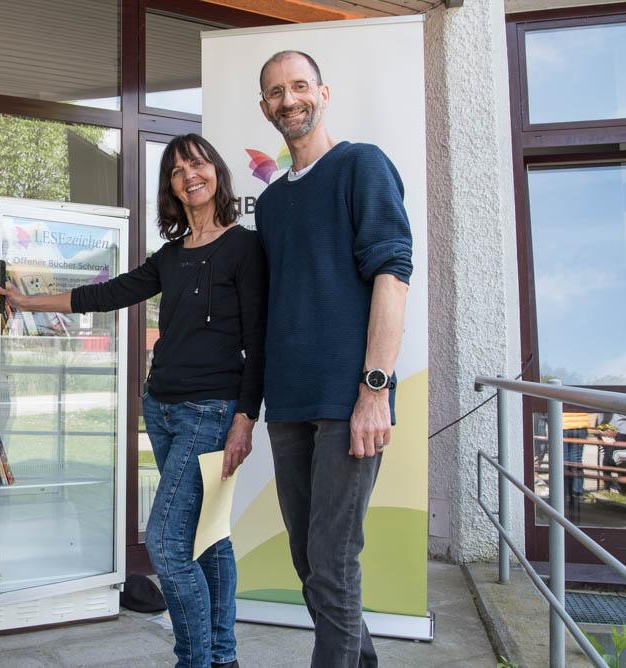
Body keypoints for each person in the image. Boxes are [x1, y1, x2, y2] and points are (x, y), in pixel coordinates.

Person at [0, 133, 266, 668]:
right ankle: (223, 657)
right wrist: (28, 300)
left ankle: (197, 659)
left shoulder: (245, 247)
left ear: (216, 172)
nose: (190, 174)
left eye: (198, 163)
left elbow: (259, 340)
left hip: (210, 414)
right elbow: (106, 293)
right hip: (162, 411)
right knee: (208, 537)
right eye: (177, 169)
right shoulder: (170, 257)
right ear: (171, 187)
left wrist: (245, 419)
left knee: (166, 546)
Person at [253, 50, 413, 668]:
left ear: (323, 92)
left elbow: (392, 276)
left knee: (333, 559)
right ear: (263, 107)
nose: (288, 100)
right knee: (309, 561)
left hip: (349, 399)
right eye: (275, 92)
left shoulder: (360, 164)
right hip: (288, 403)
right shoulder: (269, 205)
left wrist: (375, 390)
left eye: (298, 87)